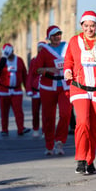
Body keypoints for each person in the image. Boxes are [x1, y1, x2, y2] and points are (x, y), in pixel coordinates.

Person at [64, 10, 96, 174]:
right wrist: (67, 71)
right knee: (82, 123)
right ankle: (80, 158)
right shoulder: (74, 41)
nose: (89, 29)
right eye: (86, 25)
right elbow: (68, 60)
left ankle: (90, 160)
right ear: (81, 25)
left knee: (93, 128)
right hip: (79, 87)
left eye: (92, 25)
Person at [35, 26, 72, 155]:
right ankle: (49, 145)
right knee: (48, 117)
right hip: (48, 87)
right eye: (54, 35)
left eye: (59, 34)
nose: (57, 37)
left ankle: (60, 141)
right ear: (49, 37)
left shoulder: (68, 47)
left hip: (65, 86)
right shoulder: (44, 50)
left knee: (65, 114)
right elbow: (37, 69)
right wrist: (49, 69)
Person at [0, 43, 30, 136]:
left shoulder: (19, 61)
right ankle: (4, 129)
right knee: (4, 111)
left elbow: (24, 76)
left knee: (18, 111)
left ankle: (21, 129)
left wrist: (28, 89)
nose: (7, 55)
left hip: (17, 90)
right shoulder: (2, 61)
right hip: (4, 91)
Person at [26, 41, 45, 138]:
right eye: (39, 47)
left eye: (43, 47)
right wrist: (28, 89)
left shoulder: (49, 60)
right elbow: (30, 76)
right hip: (35, 91)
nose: (41, 49)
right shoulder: (33, 60)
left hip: (46, 91)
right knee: (35, 111)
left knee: (46, 113)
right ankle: (36, 129)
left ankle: (46, 131)